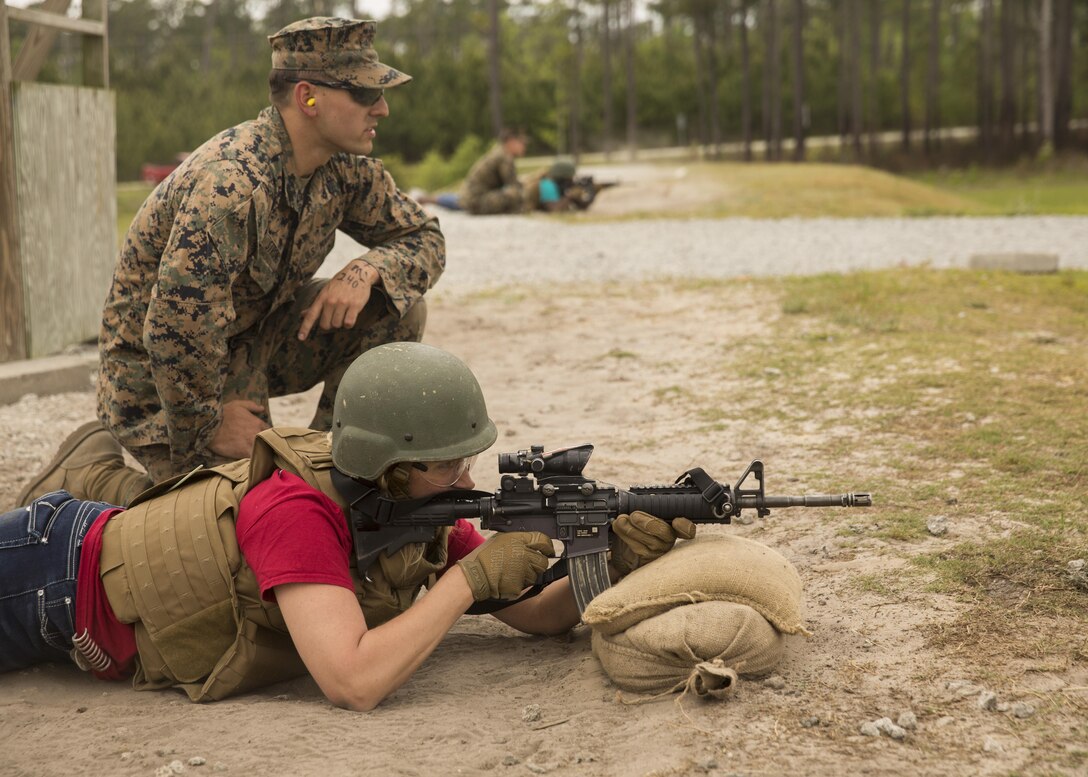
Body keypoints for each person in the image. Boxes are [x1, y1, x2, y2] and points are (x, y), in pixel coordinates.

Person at [0, 343, 695, 710]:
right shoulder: (296, 511)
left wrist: (605, 553)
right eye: (447, 465)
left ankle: (93, 476)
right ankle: (79, 475)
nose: (467, 481)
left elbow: (539, 618)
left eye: (469, 460)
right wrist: (466, 582)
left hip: (100, 586)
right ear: (386, 465)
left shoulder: (413, 511)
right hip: (50, 572)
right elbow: (353, 681)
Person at [15, 17, 444, 510]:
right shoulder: (231, 187)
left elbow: (423, 237)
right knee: (226, 525)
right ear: (308, 98)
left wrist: (366, 271)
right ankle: (91, 473)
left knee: (398, 308)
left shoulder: (344, 169)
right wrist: (210, 423)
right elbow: (172, 331)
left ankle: (331, 475)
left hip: (245, 344)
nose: (383, 108)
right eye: (366, 95)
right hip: (160, 378)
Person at [458, 128, 528, 215]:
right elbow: (512, 184)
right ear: (511, 142)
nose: (524, 147)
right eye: (521, 143)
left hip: (472, 200)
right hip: (477, 202)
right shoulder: (504, 157)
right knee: (514, 193)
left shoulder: (499, 152)